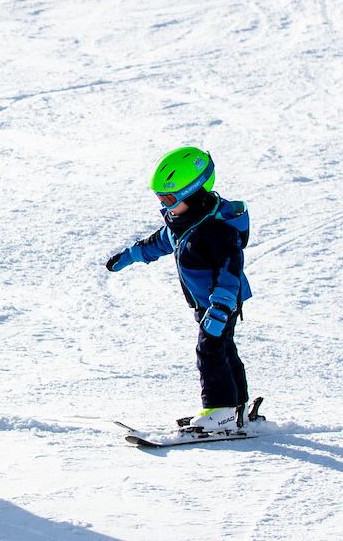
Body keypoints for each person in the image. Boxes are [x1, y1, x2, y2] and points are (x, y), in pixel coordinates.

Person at [105, 146, 253, 430]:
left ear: (194, 193)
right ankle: (236, 409)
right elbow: (159, 242)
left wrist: (220, 308)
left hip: (220, 303)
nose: (164, 205)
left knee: (209, 349)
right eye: (160, 198)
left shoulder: (217, 230)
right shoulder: (182, 222)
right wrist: (130, 256)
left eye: (169, 198)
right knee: (224, 350)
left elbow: (230, 271)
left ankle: (219, 410)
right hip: (204, 303)